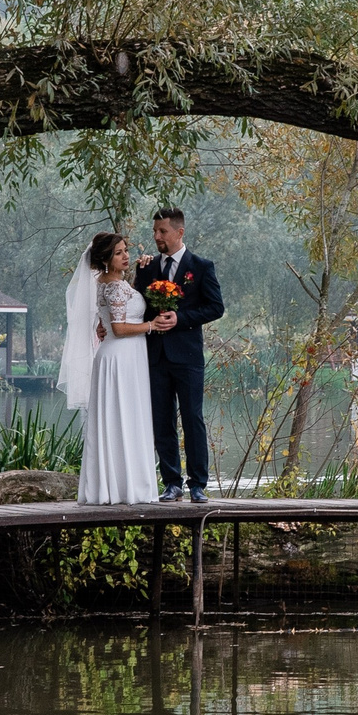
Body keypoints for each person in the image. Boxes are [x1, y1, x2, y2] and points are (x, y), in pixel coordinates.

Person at [60, 231, 167, 505]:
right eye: (119, 253)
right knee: (126, 417)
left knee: (118, 418)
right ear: (106, 258)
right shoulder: (115, 285)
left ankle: (110, 486)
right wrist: (152, 325)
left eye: (126, 251)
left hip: (115, 357)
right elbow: (119, 329)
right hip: (122, 357)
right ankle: (128, 486)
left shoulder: (104, 283)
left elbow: (107, 322)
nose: (125, 256)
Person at [135, 207, 224, 503]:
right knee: (162, 420)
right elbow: (138, 305)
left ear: (179, 232)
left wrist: (181, 317)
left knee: (192, 418)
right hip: (156, 356)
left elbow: (215, 308)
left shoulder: (200, 266)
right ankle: (171, 482)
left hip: (187, 357)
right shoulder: (146, 268)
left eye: (162, 231)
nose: (157, 236)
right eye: (155, 232)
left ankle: (198, 483)